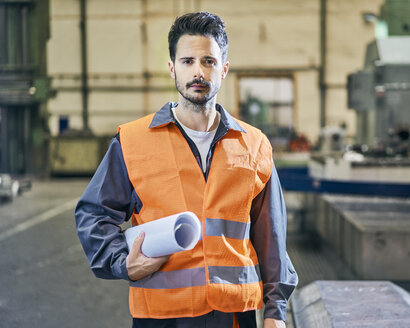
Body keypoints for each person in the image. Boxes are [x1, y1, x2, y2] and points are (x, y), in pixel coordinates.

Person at [75, 11, 298, 328]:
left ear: (224, 69)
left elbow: (271, 237)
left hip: (234, 315)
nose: (198, 71)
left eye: (208, 61)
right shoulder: (132, 141)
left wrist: (276, 310)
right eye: (187, 61)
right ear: (172, 68)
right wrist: (121, 263)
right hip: (162, 314)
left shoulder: (254, 145)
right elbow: (93, 213)